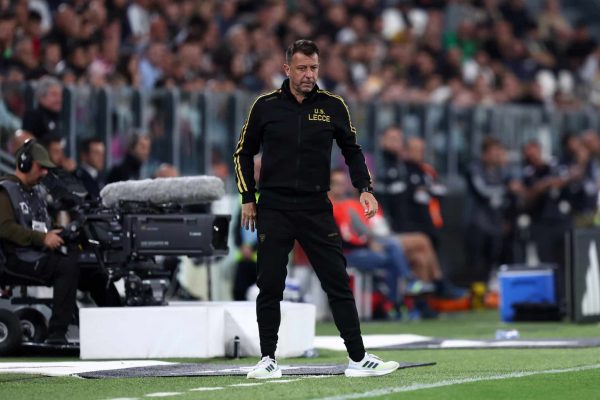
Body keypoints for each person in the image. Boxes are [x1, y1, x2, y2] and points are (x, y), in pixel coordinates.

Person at [233, 40, 399, 379]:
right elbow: (243, 154)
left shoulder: (333, 105)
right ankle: (268, 359)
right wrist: (248, 197)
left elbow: (352, 151)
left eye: (313, 68)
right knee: (270, 284)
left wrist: (364, 189)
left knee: (337, 280)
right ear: (287, 69)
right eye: (302, 68)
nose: (308, 74)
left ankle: (358, 357)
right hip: (274, 206)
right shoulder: (264, 106)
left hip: (315, 207)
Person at [0, 139, 120, 345]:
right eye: (41, 167)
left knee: (93, 269)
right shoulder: (5, 190)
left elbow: (42, 226)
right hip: (15, 257)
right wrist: (42, 238)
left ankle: (120, 323)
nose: (45, 173)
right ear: (25, 163)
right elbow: (5, 228)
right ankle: (57, 333)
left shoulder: (35, 192)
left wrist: (60, 232)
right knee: (67, 266)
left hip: (39, 253)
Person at [21, 76, 63, 141]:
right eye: (54, 95)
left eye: (60, 95)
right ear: (41, 97)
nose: (59, 99)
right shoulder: (32, 117)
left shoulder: (62, 117)